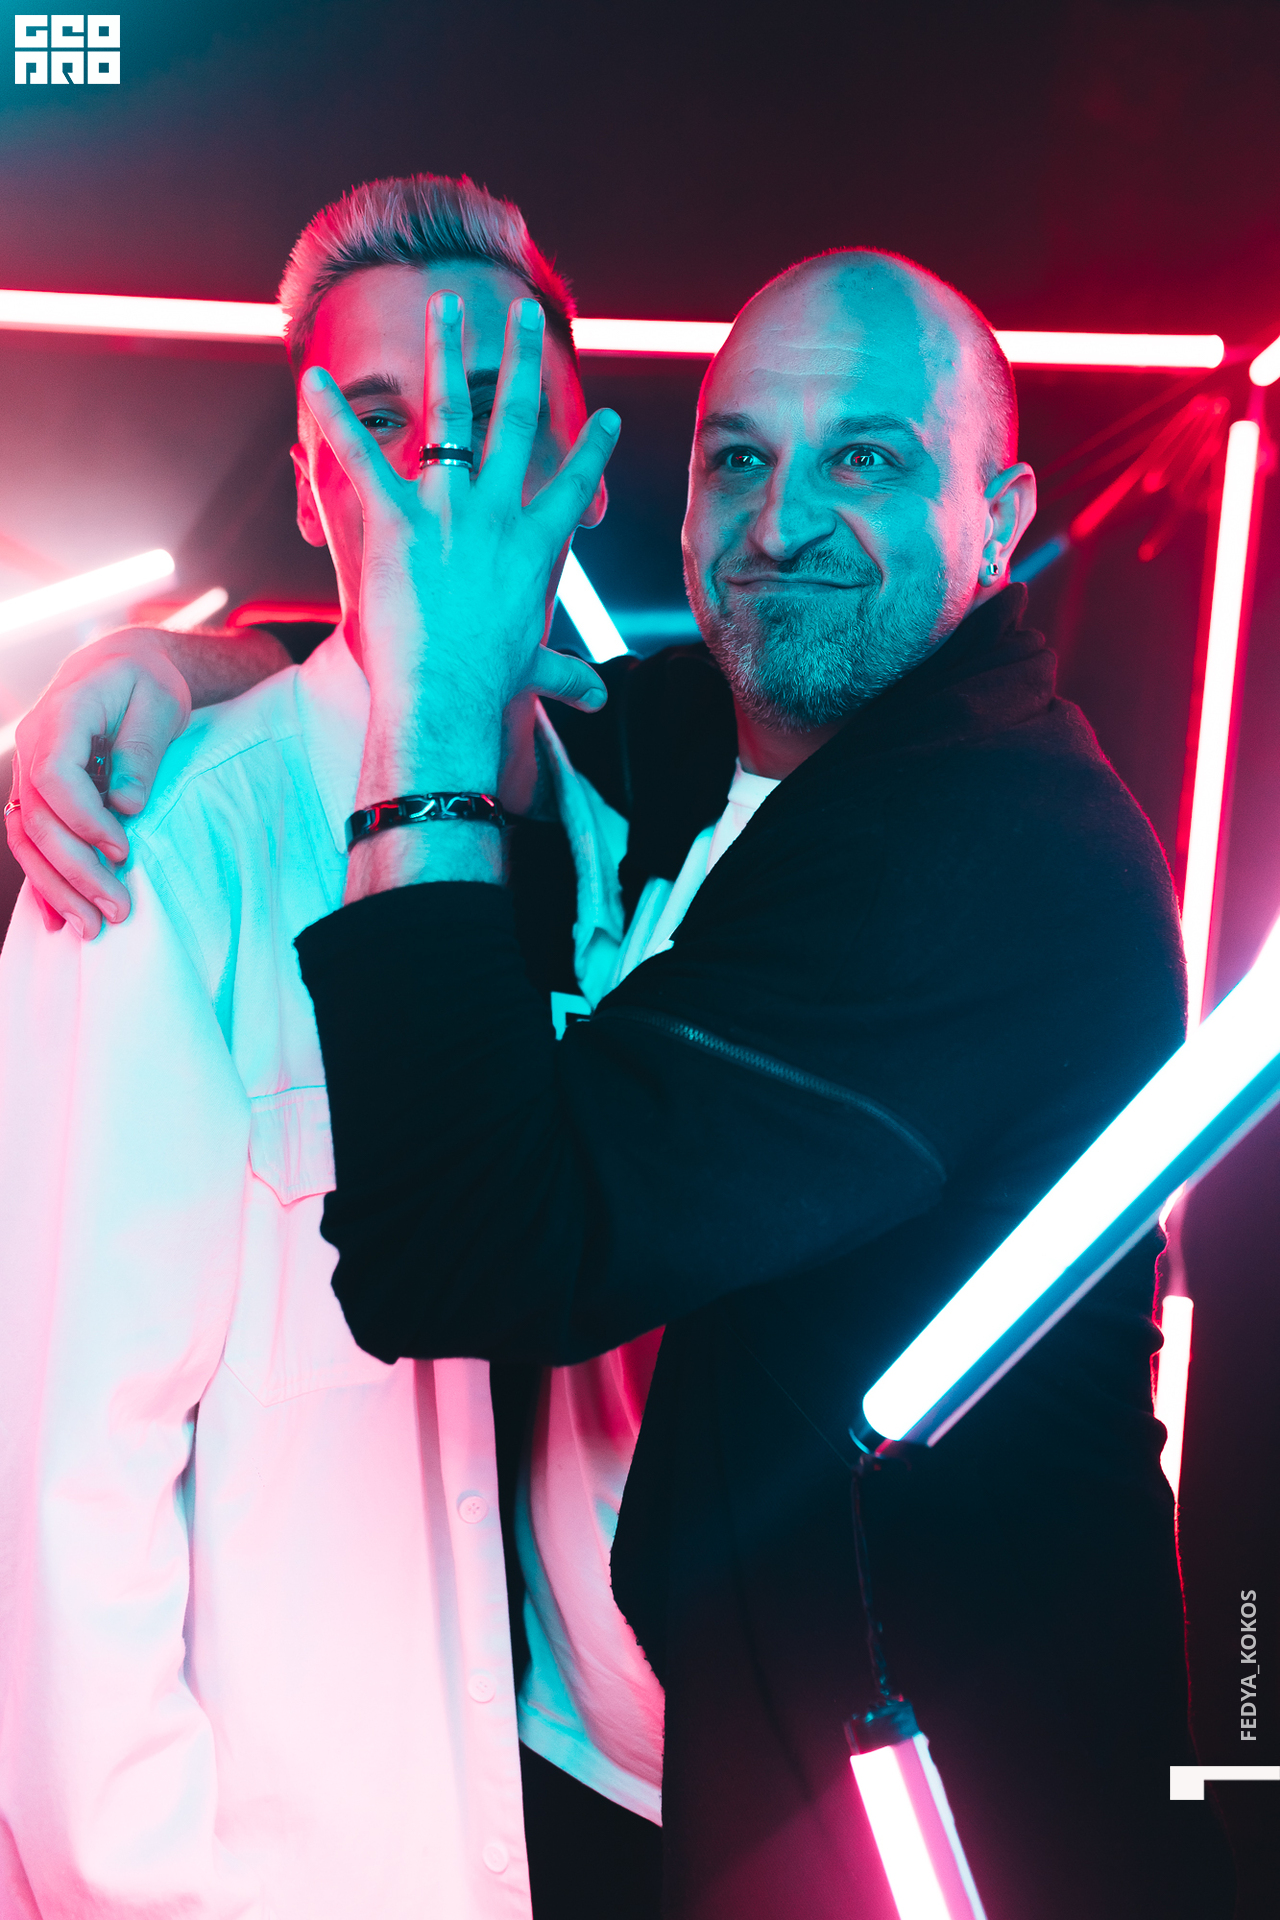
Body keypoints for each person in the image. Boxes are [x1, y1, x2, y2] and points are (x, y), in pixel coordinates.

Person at [9, 251, 1235, 1920]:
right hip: (573, 1775)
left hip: (916, 1821)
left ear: (1000, 518)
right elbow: (408, 677)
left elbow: (468, 1251)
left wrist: (423, 714)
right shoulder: (702, 739)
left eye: (866, 458)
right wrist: (167, 664)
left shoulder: (989, 854)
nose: (785, 522)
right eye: (741, 458)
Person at [0, 171, 666, 1920]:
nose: (437, 467)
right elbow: (68, 1486)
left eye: (490, 413)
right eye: (374, 422)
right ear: (312, 490)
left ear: (582, 472)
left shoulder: (645, 840)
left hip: (611, 1812)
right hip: (305, 1875)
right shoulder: (167, 855)